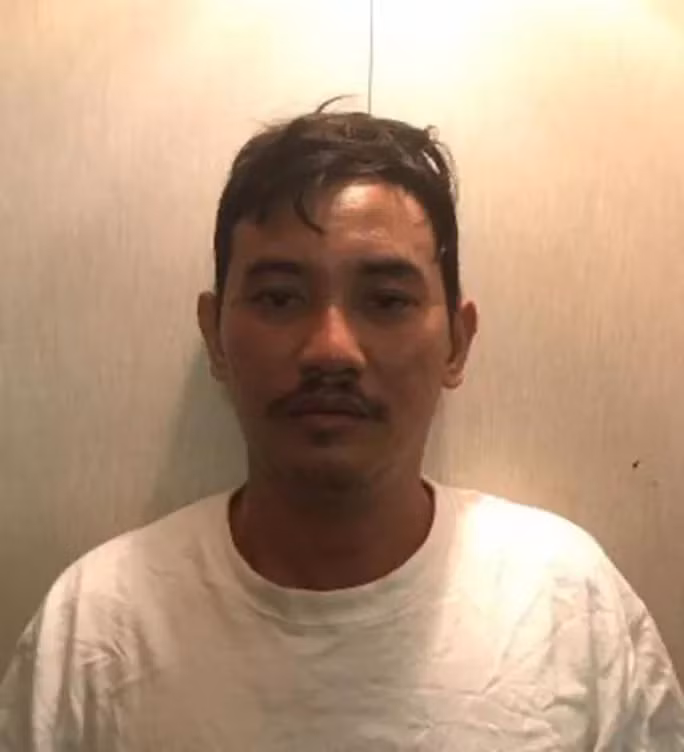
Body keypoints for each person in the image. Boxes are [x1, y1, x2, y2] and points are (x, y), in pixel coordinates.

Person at [1, 103, 683, 751]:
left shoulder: (569, 606)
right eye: (279, 298)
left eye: (385, 300)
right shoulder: (95, 629)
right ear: (214, 336)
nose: (331, 349)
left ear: (457, 342)